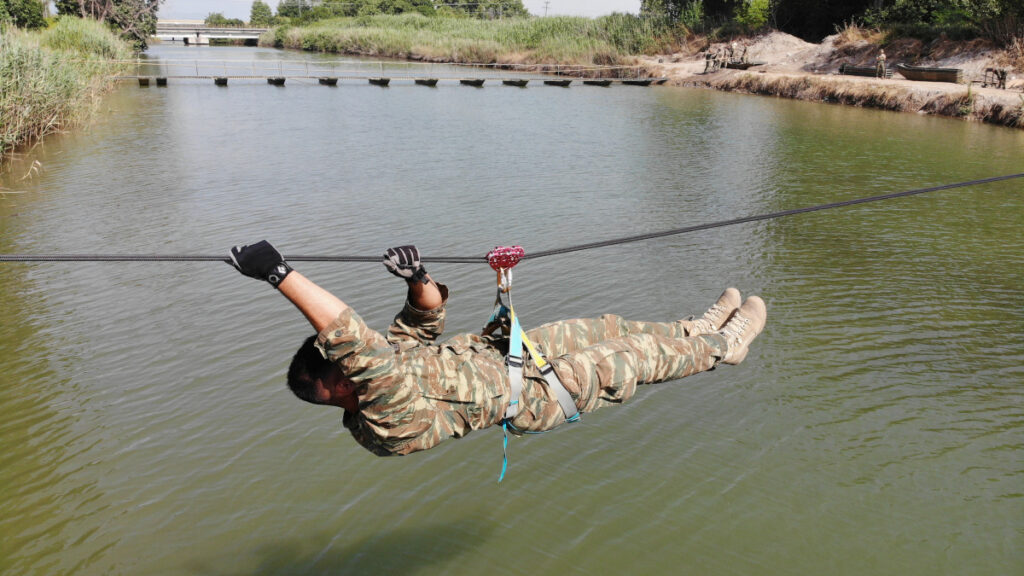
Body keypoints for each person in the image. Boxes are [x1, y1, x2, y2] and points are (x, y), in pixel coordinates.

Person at [228, 241, 767, 457]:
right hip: (538, 395)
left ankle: (694, 330)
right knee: (635, 355)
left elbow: (424, 317)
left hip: (512, 351)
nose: (347, 364)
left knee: (611, 326)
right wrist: (279, 274)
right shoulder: (383, 426)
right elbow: (356, 344)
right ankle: (725, 345)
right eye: (340, 370)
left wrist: (418, 277)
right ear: (339, 390)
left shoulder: (384, 363)